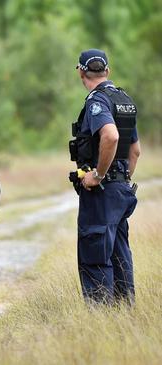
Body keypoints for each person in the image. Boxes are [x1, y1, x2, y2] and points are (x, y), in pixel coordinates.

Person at [69, 49, 139, 304]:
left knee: (96, 255)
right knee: (120, 254)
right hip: (121, 189)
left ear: (81, 72)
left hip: (103, 192)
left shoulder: (97, 101)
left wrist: (99, 176)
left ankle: (100, 321)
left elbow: (110, 136)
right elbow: (136, 150)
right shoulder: (124, 99)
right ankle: (123, 314)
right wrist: (122, 178)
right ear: (107, 71)